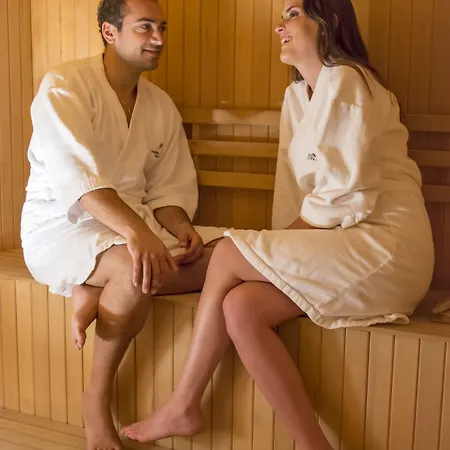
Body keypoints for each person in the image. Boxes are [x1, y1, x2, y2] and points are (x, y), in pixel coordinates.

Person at [120, 0, 435, 448]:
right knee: (241, 307)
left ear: (330, 20)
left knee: (229, 252)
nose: (279, 26)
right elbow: (293, 194)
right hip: (342, 244)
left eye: (292, 13)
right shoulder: (297, 97)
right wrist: (268, 251)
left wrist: (252, 250)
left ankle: (183, 404)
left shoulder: (349, 80)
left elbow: (348, 194)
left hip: (387, 248)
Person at [21, 0, 223, 449]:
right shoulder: (64, 85)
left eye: (162, 27)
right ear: (109, 32)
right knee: (136, 270)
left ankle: (92, 290)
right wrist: (139, 235)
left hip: (135, 228)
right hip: (62, 227)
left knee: (227, 258)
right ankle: (96, 399)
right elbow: (78, 181)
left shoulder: (159, 106)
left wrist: (181, 227)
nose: (159, 39)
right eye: (145, 27)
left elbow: (167, 189)